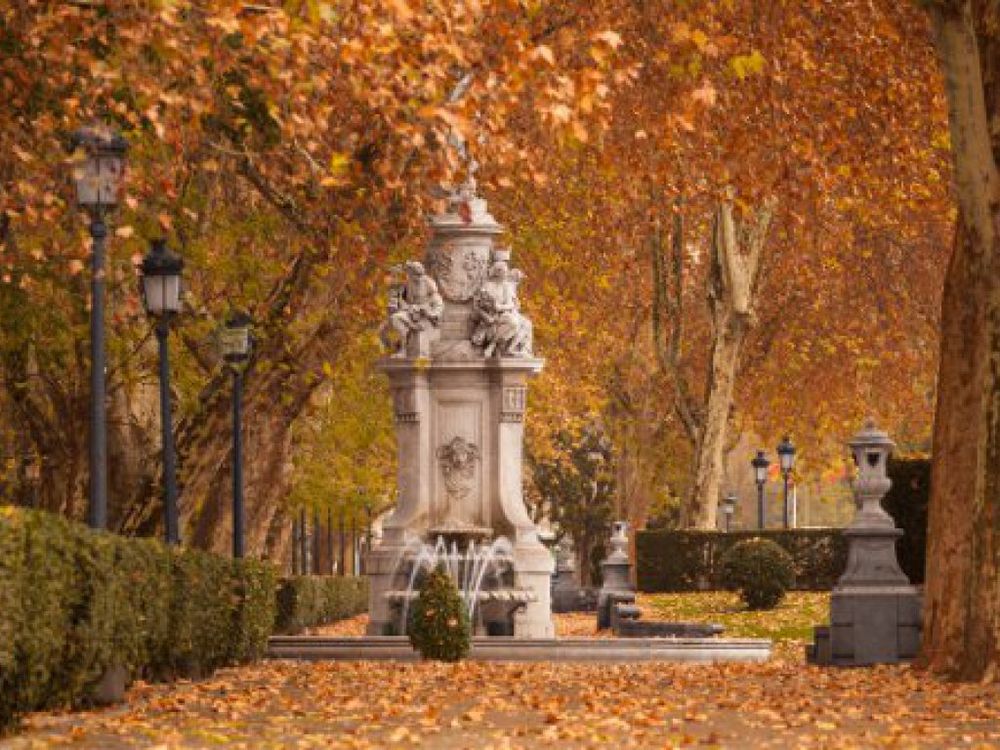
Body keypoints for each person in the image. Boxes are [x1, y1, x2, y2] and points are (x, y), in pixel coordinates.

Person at [384, 261, 443, 356]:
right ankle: (402, 349)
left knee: (398, 319)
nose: (418, 278)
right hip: (411, 313)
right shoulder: (407, 283)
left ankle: (403, 348)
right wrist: (401, 306)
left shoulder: (428, 283)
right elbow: (400, 299)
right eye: (415, 275)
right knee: (395, 319)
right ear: (410, 274)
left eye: (420, 275)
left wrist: (429, 312)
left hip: (425, 316)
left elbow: (438, 303)